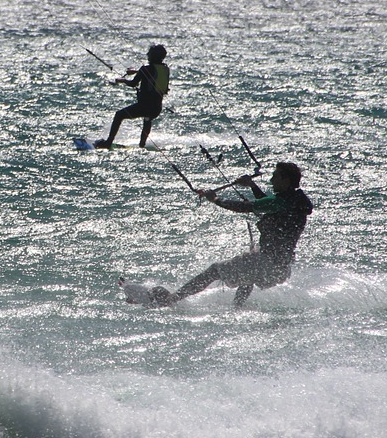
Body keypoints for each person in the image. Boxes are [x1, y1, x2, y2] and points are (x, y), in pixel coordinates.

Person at [152, 161, 313, 308]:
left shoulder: (280, 201)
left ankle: (171, 300)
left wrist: (216, 200)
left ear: (286, 181)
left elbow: (245, 207)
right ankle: (237, 307)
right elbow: (268, 204)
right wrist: (251, 185)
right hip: (281, 267)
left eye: (275, 177)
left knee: (215, 271)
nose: (271, 181)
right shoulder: (294, 200)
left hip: (267, 263)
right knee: (249, 267)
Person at [95, 44, 169, 149]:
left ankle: (108, 142)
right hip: (156, 108)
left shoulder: (145, 69)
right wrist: (135, 71)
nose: (147, 55)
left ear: (152, 56)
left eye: (149, 53)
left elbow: (133, 83)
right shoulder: (165, 69)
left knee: (119, 115)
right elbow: (151, 73)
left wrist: (123, 80)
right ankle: (142, 145)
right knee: (147, 119)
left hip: (144, 106)